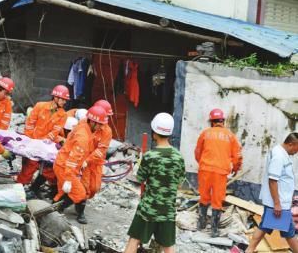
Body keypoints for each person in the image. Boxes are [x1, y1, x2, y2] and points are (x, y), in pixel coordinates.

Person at [124, 113, 185, 253]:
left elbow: (139, 179)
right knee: (168, 247)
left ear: (154, 133)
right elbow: (180, 184)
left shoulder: (150, 156)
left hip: (148, 210)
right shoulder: (179, 157)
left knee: (134, 240)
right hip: (167, 210)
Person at [246, 132, 298, 253]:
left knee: (265, 225)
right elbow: (273, 181)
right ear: (291, 144)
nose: (296, 152)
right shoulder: (279, 156)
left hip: (279, 201)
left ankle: (249, 249)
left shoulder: (280, 152)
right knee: (289, 231)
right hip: (279, 202)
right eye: (297, 148)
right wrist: (277, 204)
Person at [194, 108, 243, 237]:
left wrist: (202, 164)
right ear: (223, 121)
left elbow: (197, 152)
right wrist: (235, 168)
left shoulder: (205, 133)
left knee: (204, 196)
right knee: (217, 200)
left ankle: (201, 224)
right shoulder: (230, 136)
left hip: (205, 170)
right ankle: (214, 230)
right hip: (220, 172)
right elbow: (237, 156)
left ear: (211, 121)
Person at [53, 106, 106, 224]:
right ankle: (56, 209)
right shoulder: (83, 137)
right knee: (80, 193)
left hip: (65, 164)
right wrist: (68, 178)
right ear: (92, 122)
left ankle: (56, 208)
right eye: (99, 124)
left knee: (68, 191)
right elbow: (72, 160)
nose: (101, 127)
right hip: (65, 167)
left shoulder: (84, 124)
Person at [16, 85, 69, 185]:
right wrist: (29, 141)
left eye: (66, 100)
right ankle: (19, 189)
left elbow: (54, 132)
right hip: (31, 142)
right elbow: (29, 123)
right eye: (63, 99)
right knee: (27, 170)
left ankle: (36, 187)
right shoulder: (40, 106)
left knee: (49, 171)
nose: (65, 102)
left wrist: (41, 144)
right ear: (56, 97)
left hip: (45, 145)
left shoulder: (63, 115)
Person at [28, 116, 79, 199]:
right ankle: (35, 188)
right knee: (46, 173)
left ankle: (53, 193)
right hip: (50, 159)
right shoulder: (58, 132)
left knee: (59, 178)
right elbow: (51, 138)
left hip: (62, 161)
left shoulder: (75, 136)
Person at [81, 100, 113, 218]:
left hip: (95, 162)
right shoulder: (84, 124)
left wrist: (88, 160)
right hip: (82, 159)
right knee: (84, 187)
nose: (106, 120)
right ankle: (80, 211)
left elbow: (101, 150)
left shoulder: (107, 131)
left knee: (94, 188)